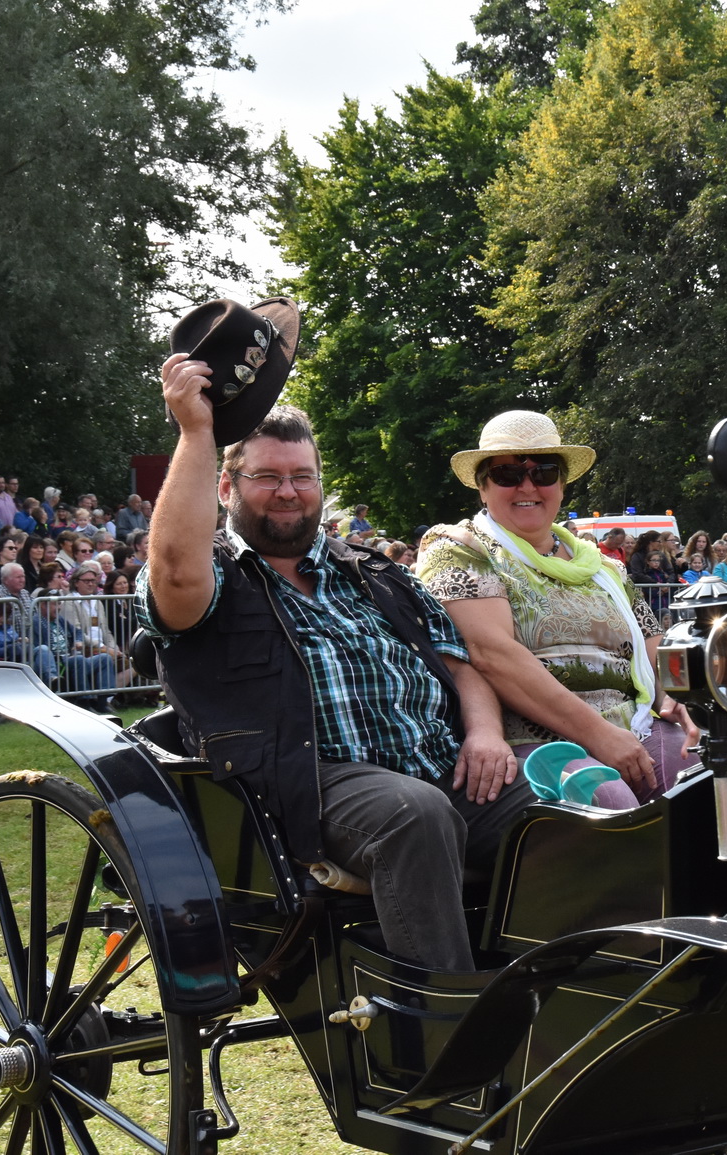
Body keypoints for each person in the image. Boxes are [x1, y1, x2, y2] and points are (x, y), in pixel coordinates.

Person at [143, 297, 513, 974]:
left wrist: (486, 732)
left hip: (438, 765)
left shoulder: (372, 571)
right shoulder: (215, 578)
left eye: (302, 477)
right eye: (266, 477)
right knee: (416, 814)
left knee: (551, 815)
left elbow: (461, 665)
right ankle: (440, 1040)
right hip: (308, 787)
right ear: (226, 484)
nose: (288, 492)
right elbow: (172, 570)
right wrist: (197, 434)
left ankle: (572, 1009)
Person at [418, 411, 700, 813]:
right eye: (507, 475)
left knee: (698, 777)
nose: (528, 485)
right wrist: (599, 735)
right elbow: (492, 654)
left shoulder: (603, 566)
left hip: (633, 722)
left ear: (562, 486)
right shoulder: (461, 550)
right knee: (603, 803)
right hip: (532, 737)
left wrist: (674, 695)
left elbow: (653, 645)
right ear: (482, 488)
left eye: (544, 473)